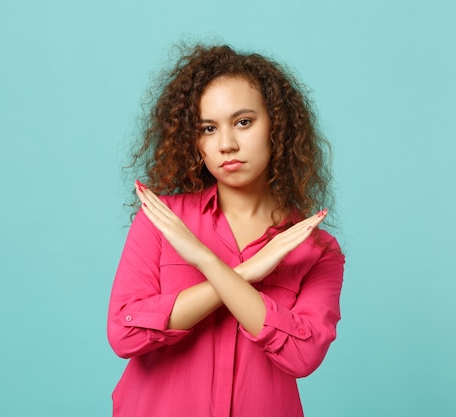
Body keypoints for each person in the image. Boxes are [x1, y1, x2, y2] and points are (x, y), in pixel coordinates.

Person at [107, 44, 345, 417]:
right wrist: (246, 274)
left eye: (243, 122)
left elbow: (302, 356)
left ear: (277, 127)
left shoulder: (316, 249)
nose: (226, 144)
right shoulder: (163, 220)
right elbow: (125, 333)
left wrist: (206, 262)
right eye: (208, 128)